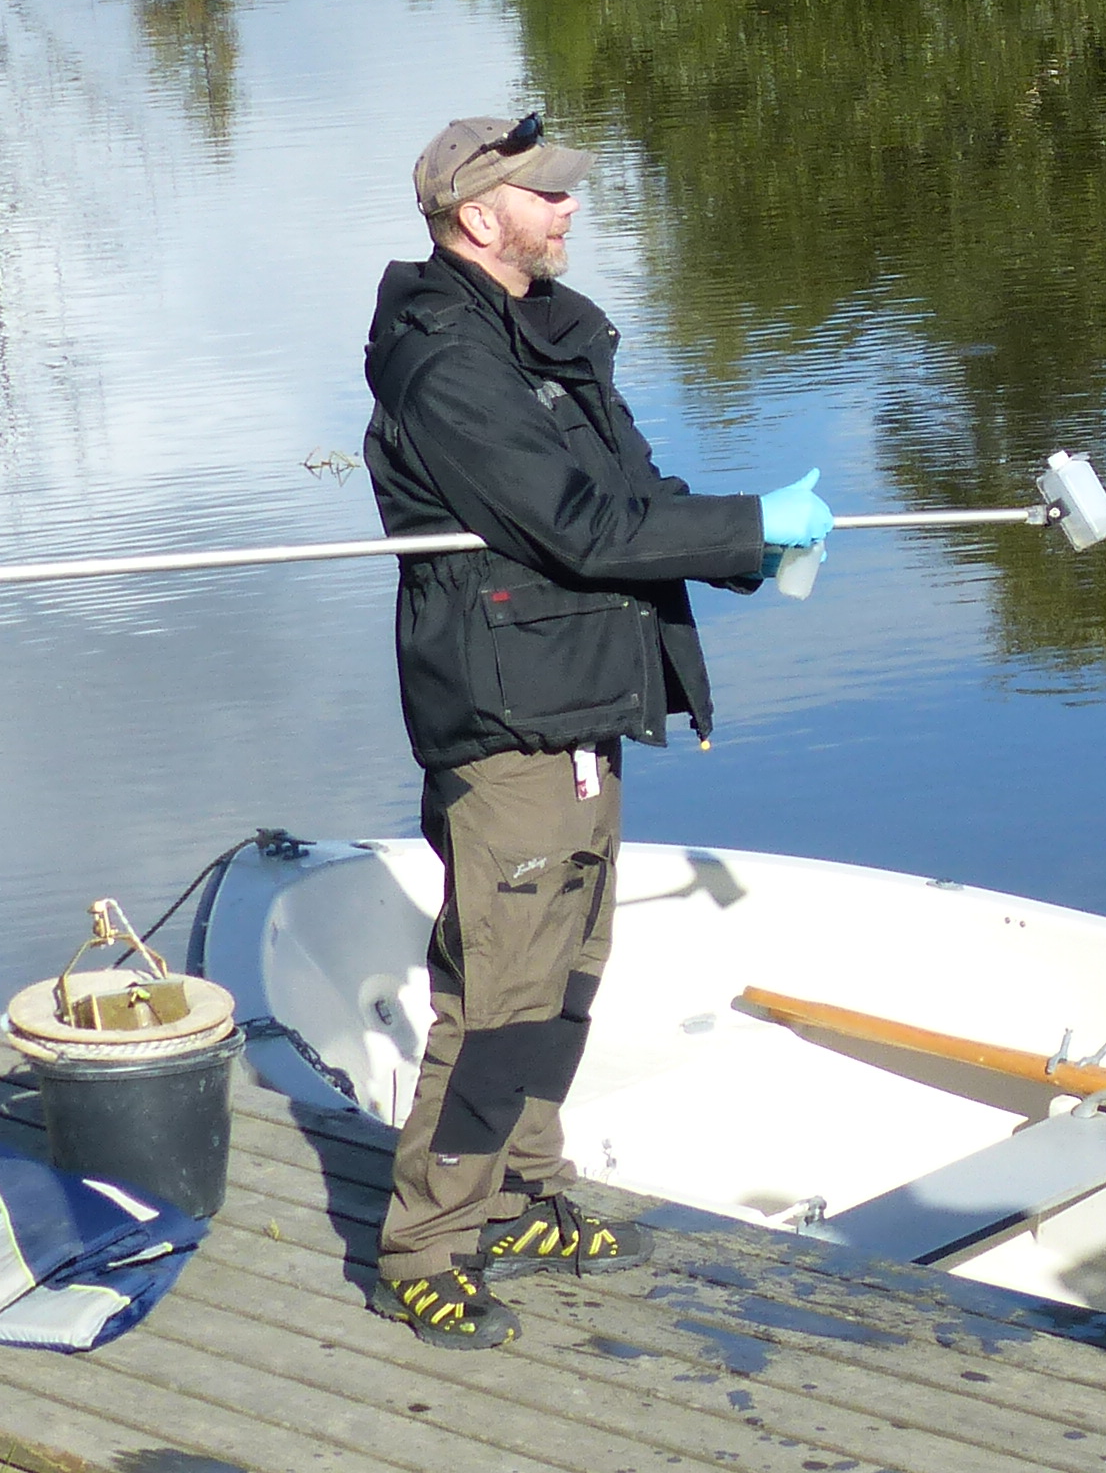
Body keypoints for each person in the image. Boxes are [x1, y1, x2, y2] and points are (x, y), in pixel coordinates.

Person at [359, 112, 836, 1349]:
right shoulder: (445, 362)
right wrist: (744, 530)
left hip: (577, 701)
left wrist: (748, 540)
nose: (570, 209)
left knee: (566, 975)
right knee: (498, 995)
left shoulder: (536, 339)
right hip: (508, 716)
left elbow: (629, 496)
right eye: (546, 194)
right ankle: (426, 1244)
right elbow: (575, 526)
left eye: (568, 191)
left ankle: (525, 1193)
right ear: (479, 217)